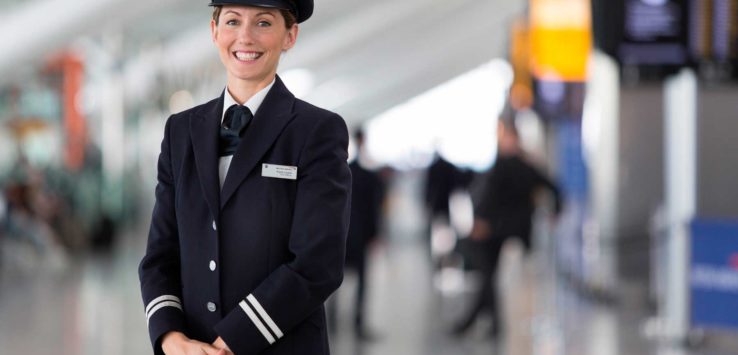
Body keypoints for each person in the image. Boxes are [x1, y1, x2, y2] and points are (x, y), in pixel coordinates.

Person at [138, 1, 352, 354]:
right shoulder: (181, 131)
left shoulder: (316, 131)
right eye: (233, 21)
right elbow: (160, 253)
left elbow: (318, 262)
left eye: (264, 23)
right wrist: (171, 338)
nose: (245, 37)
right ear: (214, 31)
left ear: (290, 35)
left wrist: (234, 339)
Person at [451, 119, 561, 338]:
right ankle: (482, 324)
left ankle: (478, 324)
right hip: (514, 229)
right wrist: (555, 212)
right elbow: (553, 187)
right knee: (489, 276)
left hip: (494, 230)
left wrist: (480, 221)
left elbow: (488, 196)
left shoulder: (505, 166)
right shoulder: (528, 166)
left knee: (488, 275)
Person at [340, 128, 385, 340]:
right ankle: (357, 324)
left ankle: (333, 323)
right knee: (362, 282)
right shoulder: (369, 176)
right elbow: (374, 208)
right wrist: (375, 234)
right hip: (362, 235)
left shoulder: (343, 173)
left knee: (334, 281)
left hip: (342, 235)